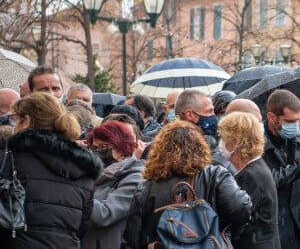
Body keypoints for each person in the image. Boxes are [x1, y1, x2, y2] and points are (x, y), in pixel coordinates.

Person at [121, 120, 252, 248]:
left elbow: (133, 237)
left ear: (159, 152)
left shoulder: (146, 187)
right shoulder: (216, 175)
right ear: (200, 147)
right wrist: (223, 230)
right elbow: (241, 208)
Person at [0, 92, 103, 248]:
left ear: (26, 121)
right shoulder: (85, 168)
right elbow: (82, 227)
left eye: (15, 119)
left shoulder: (10, 156)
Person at [218, 112, 281, 249]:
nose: (221, 143)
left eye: (223, 137)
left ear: (236, 141)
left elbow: (237, 219)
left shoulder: (250, 175)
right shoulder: (256, 168)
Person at [82, 120, 145, 249]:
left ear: (122, 148)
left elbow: (105, 214)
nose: (98, 152)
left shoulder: (135, 177)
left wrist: (78, 191)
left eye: (104, 147)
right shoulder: (93, 172)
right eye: (95, 148)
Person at [263, 89, 300, 248]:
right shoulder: (257, 146)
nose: (295, 126)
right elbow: (267, 183)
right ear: (272, 117)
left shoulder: (295, 141)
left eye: (298, 121)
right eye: (289, 121)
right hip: (274, 228)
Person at [212, 98, 263, 174]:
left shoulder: (252, 153)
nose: (260, 125)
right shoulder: (219, 165)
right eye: (256, 122)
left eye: (260, 121)